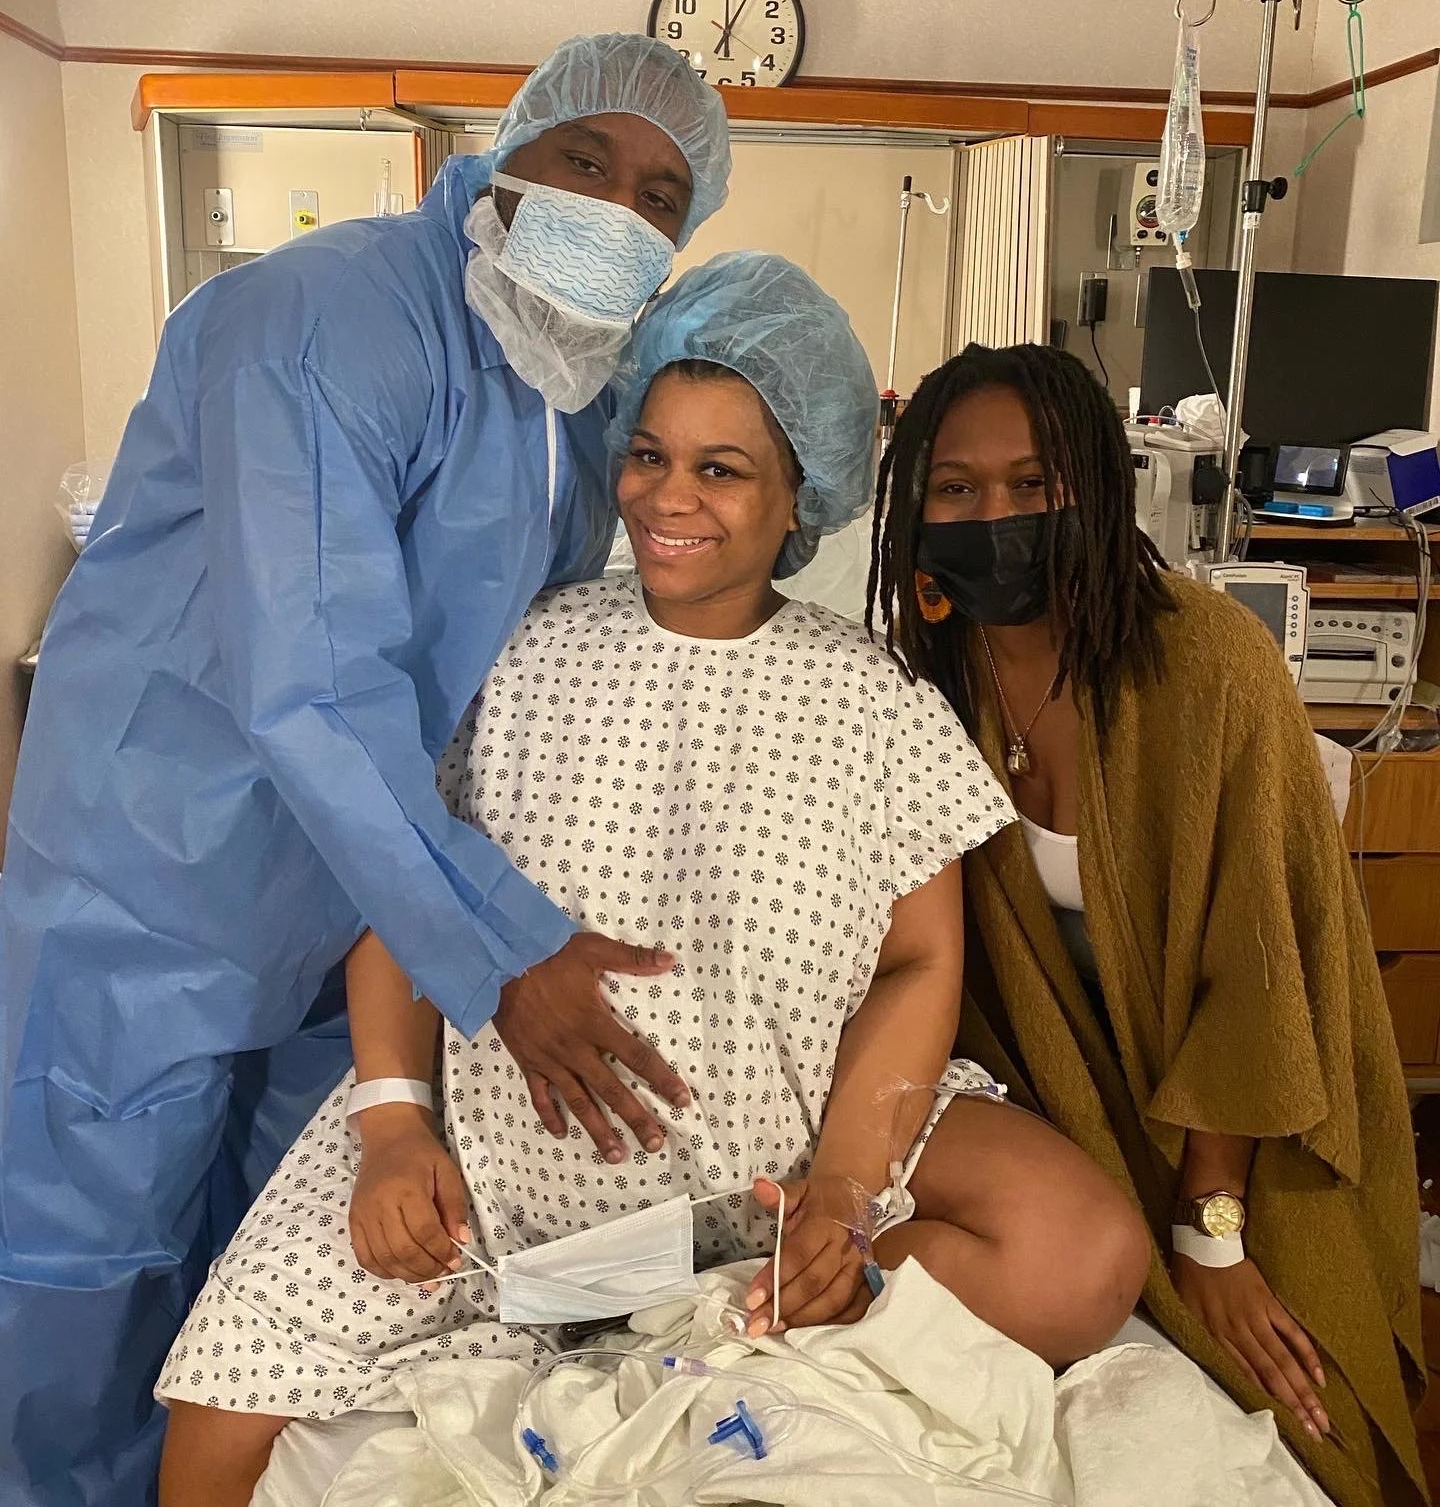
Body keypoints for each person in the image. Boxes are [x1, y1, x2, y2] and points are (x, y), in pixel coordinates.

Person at [153, 255, 1151, 1507]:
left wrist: (840, 1191)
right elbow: (402, 886)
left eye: (722, 469)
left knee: (1086, 1254)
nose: (668, 496)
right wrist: (396, 1122)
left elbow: (918, 959)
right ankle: (598, 1303)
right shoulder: (519, 650)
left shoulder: (873, 698)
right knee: (211, 1429)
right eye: (648, 455)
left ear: (803, 499)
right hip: (501, 1189)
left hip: (765, 1177)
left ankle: (729, 1299)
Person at [0, 33, 732, 1507]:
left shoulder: (571, 396)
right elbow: (318, 688)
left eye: (662, 195)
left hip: (363, 903)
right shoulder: (326, 319)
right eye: (586, 160)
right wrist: (504, 952)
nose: (619, 208)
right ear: (508, 151)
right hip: (160, 871)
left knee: (281, 1248)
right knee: (92, 1256)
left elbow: (510, 668)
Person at [868, 341, 1425, 1507]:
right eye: (956, 489)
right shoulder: (928, 682)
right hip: (1061, 1106)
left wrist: (1209, 1230)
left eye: (1033, 484)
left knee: (1299, 1398)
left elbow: (1261, 984)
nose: (994, 515)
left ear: (1099, 490)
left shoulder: (1208, 668)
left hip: (1249, 1118)